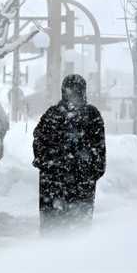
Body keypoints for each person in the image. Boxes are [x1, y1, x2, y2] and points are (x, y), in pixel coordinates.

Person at [32, 74, 106, 232]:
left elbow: (39, 146)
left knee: (56, 231)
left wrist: (50, 166)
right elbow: (99, 152)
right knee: (77, 233)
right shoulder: (90, 116)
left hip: (55, 186)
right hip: (74, 185)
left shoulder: (53, 115)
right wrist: (89, 171)